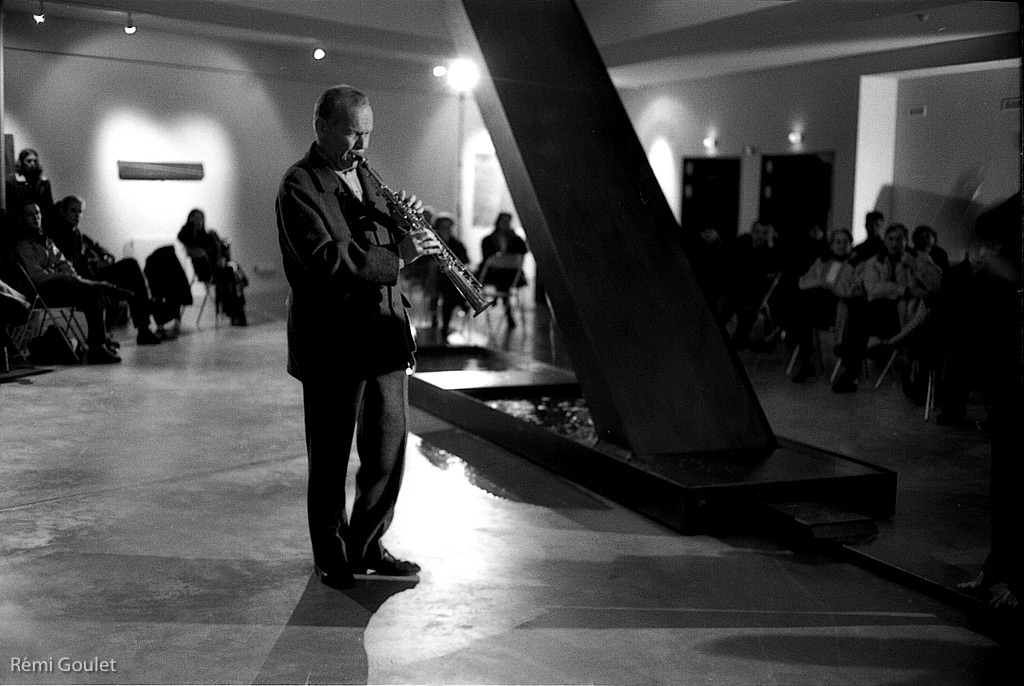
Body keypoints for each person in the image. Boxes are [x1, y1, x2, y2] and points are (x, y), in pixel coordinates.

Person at [276, 84, 442, 590]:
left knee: (387, 452)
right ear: (321, 126)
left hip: (384, 336)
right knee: (329, 456)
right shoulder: (299, 185)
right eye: (353, 133)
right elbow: (327, 261)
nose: (362, 146)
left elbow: (382, 242)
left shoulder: (366, 176)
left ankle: (367, 545)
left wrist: (408, 224)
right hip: (333, 343)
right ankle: (331, 552)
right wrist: (401, 256)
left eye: (368, 134)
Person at [831, 223, 941, 393]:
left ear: (905, 240)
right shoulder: (876, 261)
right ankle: (851, 372)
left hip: (907, 315)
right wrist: (904, 290)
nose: (894, 243)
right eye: (890, 239)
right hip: (883, 310)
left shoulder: (919, 258)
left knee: (863, 313)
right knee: (858, 310)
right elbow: (873, 288)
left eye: (899, 239)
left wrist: (913, 265)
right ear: (885, 241)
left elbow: (935, 286)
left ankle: (875, 356)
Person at [5, 203, 121, 363]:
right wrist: (61, 275)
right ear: (23, 219)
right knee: (94, 293)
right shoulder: (22, 244)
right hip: (43, 290)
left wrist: (76, 279)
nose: (36, 217)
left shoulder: (46, 240)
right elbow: (35, 275)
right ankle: (97, 347)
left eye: (38, 213)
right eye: (30, 215)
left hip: (59, 283)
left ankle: (101, 341)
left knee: (102, 292)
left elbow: (64, 264)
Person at [48, 196, 161, 345]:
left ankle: (143, 325)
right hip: (83, 277)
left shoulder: (79, 234)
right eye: (73, 211)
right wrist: (92, 263)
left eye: (80, 211)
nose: (77, 215)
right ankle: (142, 326)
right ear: (64, 212)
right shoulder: (59, 235)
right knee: (128, 274)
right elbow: (68, 263)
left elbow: (103, 252)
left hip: (95, 271)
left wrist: (103, 259)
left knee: (131, 266)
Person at [789, 229, 859, 382]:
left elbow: (844, 288)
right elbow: (803, 283)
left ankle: (807, 361)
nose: (841, 245)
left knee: (805, 306)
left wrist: (823, 283)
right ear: (831, 244)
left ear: (851, 244)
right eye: (837, 242)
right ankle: (807, 361)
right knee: (803, 305)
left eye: (845, 242)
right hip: (818, 305)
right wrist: (821, 282)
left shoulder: (855, 264)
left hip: (841, 309)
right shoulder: (822, 261)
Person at [177, 209, 249, 326]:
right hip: (205, 270)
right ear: (191, 218)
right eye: (197, 218)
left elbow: (216, 249)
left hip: (216, 268)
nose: (200, 221)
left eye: (201, 218)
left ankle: (236, 311)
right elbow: (187, 242)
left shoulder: (207, 235)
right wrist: (193, 227)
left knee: (229, 273)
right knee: (230, 274)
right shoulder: (186, 234)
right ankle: (235, 311)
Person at [479, 211, 528, 328]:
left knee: (504, 282)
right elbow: (487, 258)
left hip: (508, 275)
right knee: (503, 284)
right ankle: (507, 312)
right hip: (493, 274)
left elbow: (522, 252)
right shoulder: (488, 239)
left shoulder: (516, 240)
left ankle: (499, 301)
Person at [431, 212, 470, 341]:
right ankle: (461, 301)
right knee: (450, 289)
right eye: (443, 227)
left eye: (449, 227)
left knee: (450, 289)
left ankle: (446, 323)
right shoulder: (430, 240)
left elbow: (464, 260)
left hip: (449, 278)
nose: (446, 230)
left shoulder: (457, 244)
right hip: (431, 278)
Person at [5, 149, 56, 228]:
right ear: (21, 162)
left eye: (35, 161)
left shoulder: (44, 182)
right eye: (29, 161)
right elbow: (9, 208)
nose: (32, 164)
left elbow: (49, 207)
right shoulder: (11, 181)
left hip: (40, 226)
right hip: (19, 226)